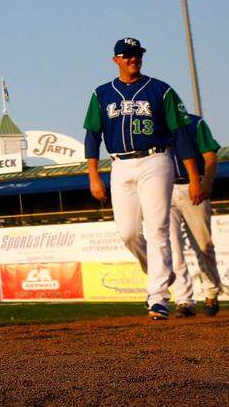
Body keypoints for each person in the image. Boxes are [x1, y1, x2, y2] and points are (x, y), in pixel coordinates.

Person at [84, 37, 202, 320]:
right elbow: (92, 135)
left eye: (136, 54)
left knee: (157, 230)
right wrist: (93, 175)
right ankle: (161, 272)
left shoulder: (161, 90)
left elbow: (181, 135)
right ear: (115, 59)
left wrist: (194, 177)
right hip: (120, 164)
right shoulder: (102, 94)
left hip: (155, 160)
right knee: (127, 233)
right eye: (126, 55)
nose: (133, 58)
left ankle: (158, 296)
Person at [168, 114, 223, 318]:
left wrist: (206, 183)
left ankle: (211, 291)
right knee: (172, 247)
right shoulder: (152, 124)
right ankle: (184, 300)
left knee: (203, 245)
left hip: (193, 185)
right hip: (164, 188)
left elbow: (210, 157)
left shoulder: (193, 122)